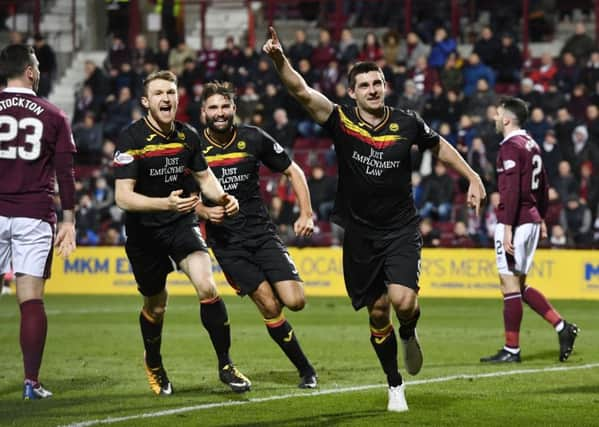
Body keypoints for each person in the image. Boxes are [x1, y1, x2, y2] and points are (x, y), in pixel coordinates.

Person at [263, 27, 486, 412]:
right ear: (352, 92)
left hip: (400, 228)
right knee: (378, 309)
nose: (372, 89)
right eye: (364, 85)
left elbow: (441, 147)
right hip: (360, 233)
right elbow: (301, 91)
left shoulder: (407, 122)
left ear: (386, 86)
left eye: (377, 83)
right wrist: (280, 60)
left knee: (403, 302)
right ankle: (394, 384)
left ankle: (410, 331)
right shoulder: (341, 120)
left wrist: (473, 176)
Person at [113, 70, 251, 396]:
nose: (167, 99)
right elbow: (123, 197)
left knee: (207, 285)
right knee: (156, 306)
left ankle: (226, 365)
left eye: (171, 93)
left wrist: (223, 197)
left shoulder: (188, 136)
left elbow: (205, 179)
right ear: (146, 101)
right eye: (159, 93)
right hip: (144, 234)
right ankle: (155, 363)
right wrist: (166, 204)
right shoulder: (131, 139)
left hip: (181, 223)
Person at [195, 81, 318, 388]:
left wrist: (306, 213)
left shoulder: (252, 137)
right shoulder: (194, 148)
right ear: (203, 112)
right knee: (270, 305)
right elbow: (179, 195)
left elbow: (295, 171)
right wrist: (206, 212)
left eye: (225, 107)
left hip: (262, 234)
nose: (220, 113)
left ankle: (303, 364)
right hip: (227, 244)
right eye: (214, 108)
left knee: (296, 300)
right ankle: (306, 370)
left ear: (234, 109)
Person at [0, 44, 77, 399]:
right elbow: (65, 173)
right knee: (30, 301)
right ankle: (31, 382)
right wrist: (69, 220)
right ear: (30, 71)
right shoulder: (53, 115)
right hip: (33, 214)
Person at [480, 97, 579, 364]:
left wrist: (508, 228)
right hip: (531, 218)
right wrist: (542, 218)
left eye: (498, 113)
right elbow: (544, 185)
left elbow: (511, 191)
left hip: (517, 220)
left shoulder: (510, 147)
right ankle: (562, 327)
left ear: (508, 119)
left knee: (508, 284)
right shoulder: (532, 144)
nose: (495, 118)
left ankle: (512, 349)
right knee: (518, 285)